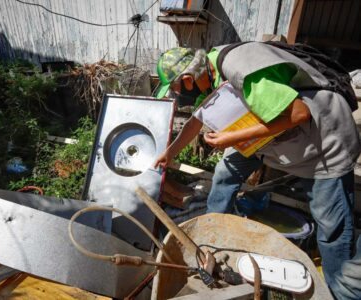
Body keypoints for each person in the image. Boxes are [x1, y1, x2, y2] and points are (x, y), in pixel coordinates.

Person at [153, 43, 361, 299]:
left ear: (187, 80)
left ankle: (340, 292)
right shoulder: (210, 70)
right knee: (225, 173)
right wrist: (170, 153)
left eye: (174, 89)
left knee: (332, 229)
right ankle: (212, 238)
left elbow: (299, 114)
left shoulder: (239, 67)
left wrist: (233, 137)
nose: (176, 95)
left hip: (323, 140)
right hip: (272, 137)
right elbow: (198, 119)